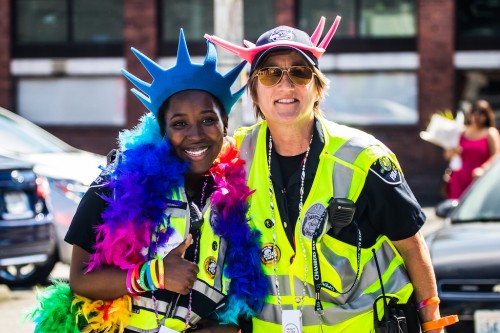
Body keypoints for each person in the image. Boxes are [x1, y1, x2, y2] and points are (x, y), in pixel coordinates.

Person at [205, 16, 458, 333]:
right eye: (271, 74)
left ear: (317, 87)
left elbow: (411, 246)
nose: (286, 84)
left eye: (299, 72)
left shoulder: (364, 158)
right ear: (254, 90)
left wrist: (433, 324)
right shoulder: (234, 156)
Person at [29, 29, 267, 333]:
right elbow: (80, 278)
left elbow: (240, 294)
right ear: (163, 130)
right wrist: (155, 275)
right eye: (179, 123)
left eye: (208, 120)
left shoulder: (237, 194)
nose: (195, 134)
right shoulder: (118, 183)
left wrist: (226, 328)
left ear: (225, 125)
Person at [445, 99, 500, 199]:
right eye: (475, 111)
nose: (477, 115)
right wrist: (452, 151)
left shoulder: (490, 133)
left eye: (481, 112)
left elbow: (496, 155)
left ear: (487, 115)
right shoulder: (461, 131)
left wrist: (483, 169)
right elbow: (448, 156)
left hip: (480, 179)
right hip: (459, 179)